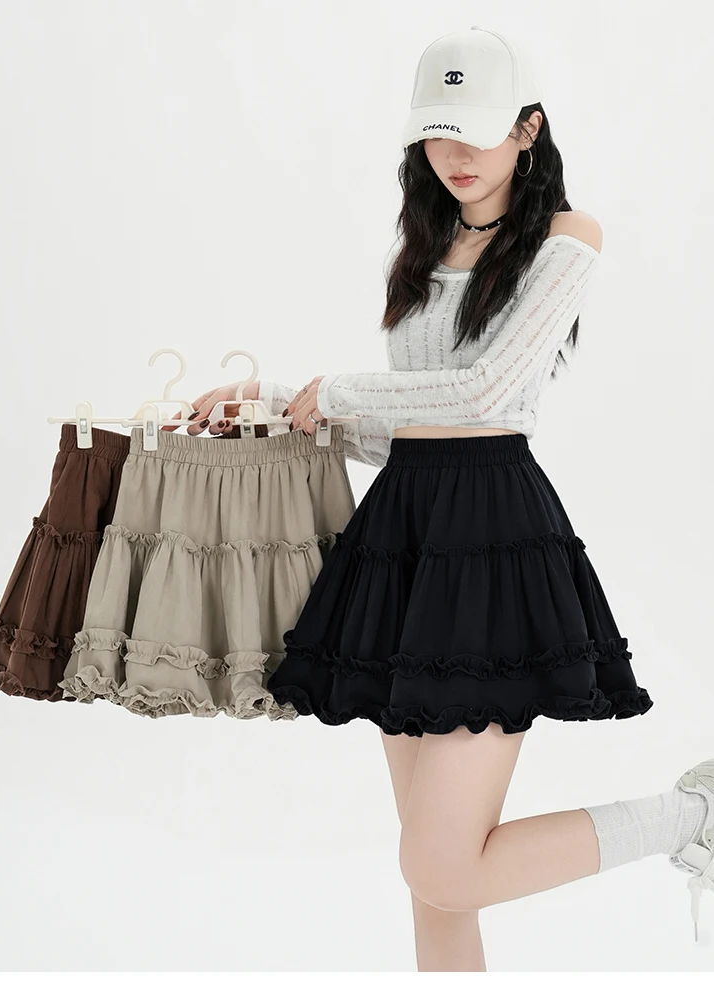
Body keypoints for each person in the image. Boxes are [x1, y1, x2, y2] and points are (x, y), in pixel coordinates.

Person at [168, 27, 714, 972]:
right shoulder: (422, 247)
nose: (454, 153)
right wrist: (275, 404)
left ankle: (689, 816)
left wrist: (336, 391)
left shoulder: (566, 237)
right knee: (434, 881)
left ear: (528, 128)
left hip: (492, 537)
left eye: (476, 129)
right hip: (407, 536)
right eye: (436, 131)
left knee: (444, 862)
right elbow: (405, 431)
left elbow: (486, 395)